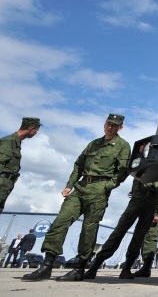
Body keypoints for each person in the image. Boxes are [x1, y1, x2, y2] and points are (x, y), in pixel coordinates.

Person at [22, 113, 130, 282]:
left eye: (114, 125)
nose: (110, 127)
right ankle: (47, 266)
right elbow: (78, 165)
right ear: (104, 124)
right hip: (80, 187)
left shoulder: (123, 146)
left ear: (120, 128)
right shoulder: (94, 143)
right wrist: (69, 185)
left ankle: (79, 268)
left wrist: (105, 187)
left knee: (88, 229)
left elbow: (122, 173)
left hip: (98, 191)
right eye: (108, 124)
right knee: (60, 222)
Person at [83, 179, 158, 280]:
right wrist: (135, 192)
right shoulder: (148, 166)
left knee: (139, 237)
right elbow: (137, 176)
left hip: (152, 203)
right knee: (119, 231)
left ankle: (127, 269)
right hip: (139, 198)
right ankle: (95, 266)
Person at [0, 117, 42, 214]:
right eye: (36, 130)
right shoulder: (9, 142)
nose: (36, 133)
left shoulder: (16, 143)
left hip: (5, 185)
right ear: (31, 128)